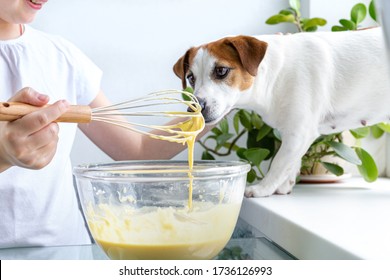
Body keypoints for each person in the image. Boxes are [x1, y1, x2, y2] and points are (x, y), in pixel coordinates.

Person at [0, 0, 205, 248]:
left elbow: (137, 150)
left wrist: (219, 103)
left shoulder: (61, 56)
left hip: (67, 258)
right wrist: (3, 156)